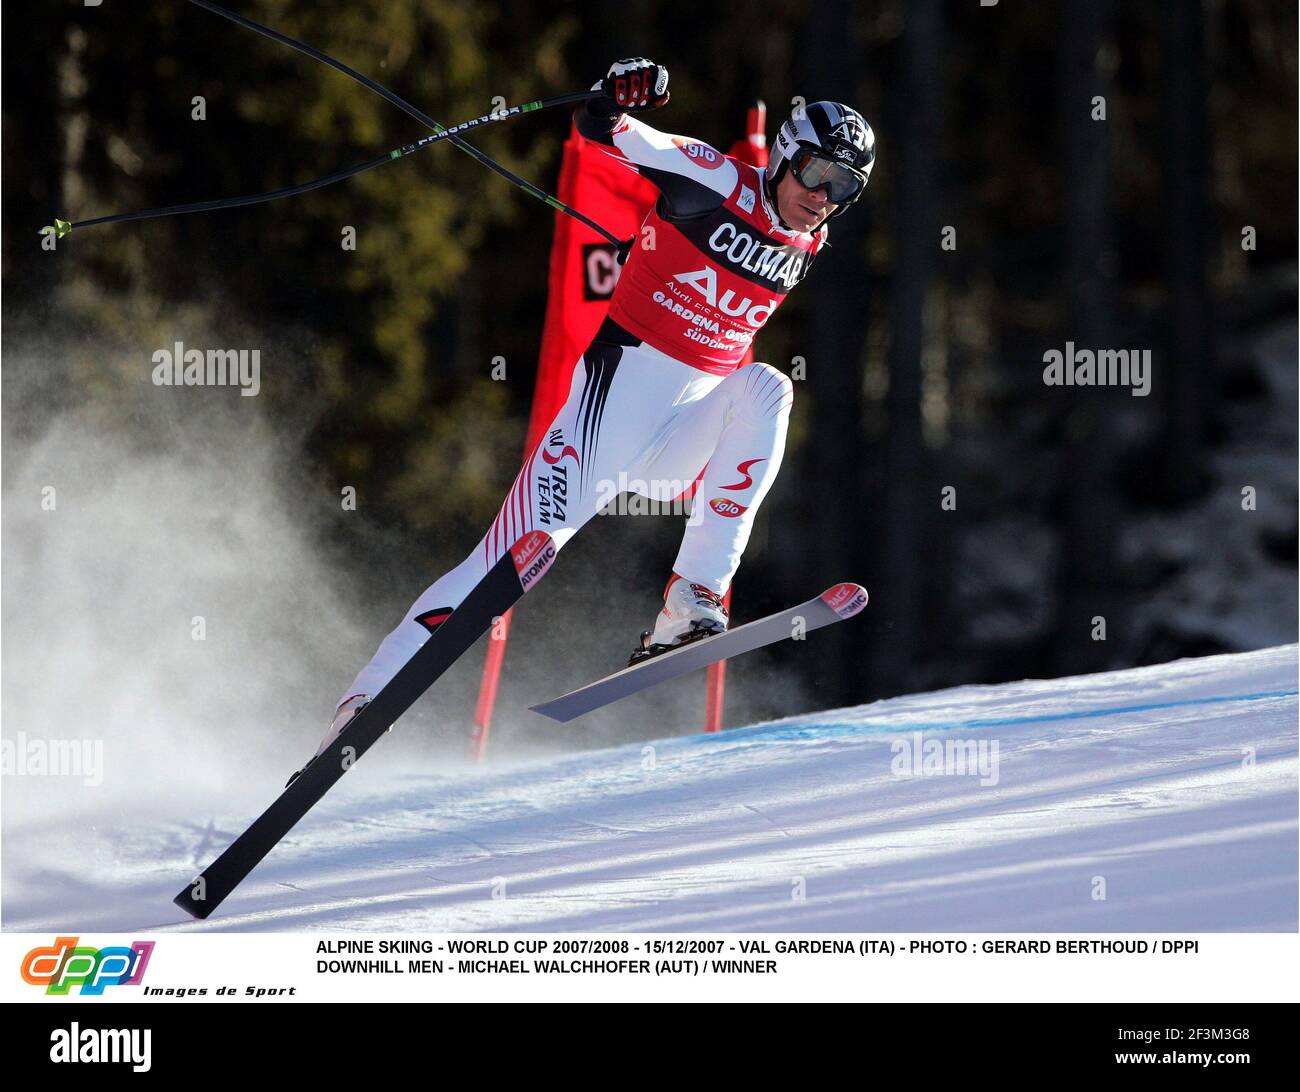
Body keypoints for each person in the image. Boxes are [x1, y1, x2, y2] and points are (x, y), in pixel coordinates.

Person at [316, 58, 876, 755]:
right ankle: (365, 698)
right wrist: (612, 98)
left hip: (681, 440)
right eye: (818, 171)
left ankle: (692, 598)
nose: (824, 195)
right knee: (510, 561)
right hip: (600, 429)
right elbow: (607, 132)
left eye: (845, 185)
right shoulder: (714, 178)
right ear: (785, 156)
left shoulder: (810, 238)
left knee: (768, 387)